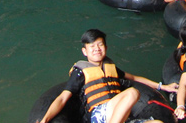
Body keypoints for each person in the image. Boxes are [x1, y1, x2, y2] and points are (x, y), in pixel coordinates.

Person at [37, 29, 174, 123]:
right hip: (99, 114)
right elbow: (62, 98)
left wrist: (163, 87)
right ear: (85, 51)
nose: (97, 49)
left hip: (119, 117)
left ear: (106, 48)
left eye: (100, 45)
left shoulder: (110, 67)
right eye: (92, 46)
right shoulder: (80, 71)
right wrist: (45, 120)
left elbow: (133, 78)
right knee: (132, 93)